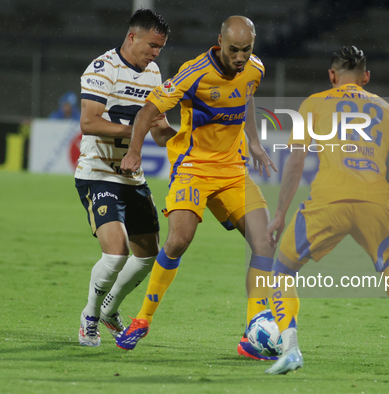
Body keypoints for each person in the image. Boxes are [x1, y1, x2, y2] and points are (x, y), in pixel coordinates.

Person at [263, 46, 389, 374]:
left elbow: (296, 160)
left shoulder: (313, 103)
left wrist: (280, 214)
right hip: (376, 203)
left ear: (332, 76)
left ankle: (291, 348)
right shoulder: (386, 110)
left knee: (282, 272)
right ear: (366, 77)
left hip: (329, 201)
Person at [117, 16, 279, 359]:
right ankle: (142, 319)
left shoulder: (255, 68)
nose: (240, 57)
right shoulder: (195, 72)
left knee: (265, 242)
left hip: (233, 171)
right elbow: (149, 110)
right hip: (193, 169)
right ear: (219, 42)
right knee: (178, 240)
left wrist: (254, 141)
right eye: (233, 50)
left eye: (246, 50)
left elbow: (247, 96)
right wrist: (134, 151)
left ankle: (254, 332)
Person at [75, 9, 173, 347]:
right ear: (132, 37)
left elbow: (159, 131)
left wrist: (187, 136)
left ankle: (109, 309)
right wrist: (136, 130)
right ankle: (89, 317)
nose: (155, 53)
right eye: (152, 45)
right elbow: (89, 122)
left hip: (133, 177)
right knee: (116, 254)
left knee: (148, 256)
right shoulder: (103, 69)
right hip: (99, 173)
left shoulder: (153, 73)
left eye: (160, 48)